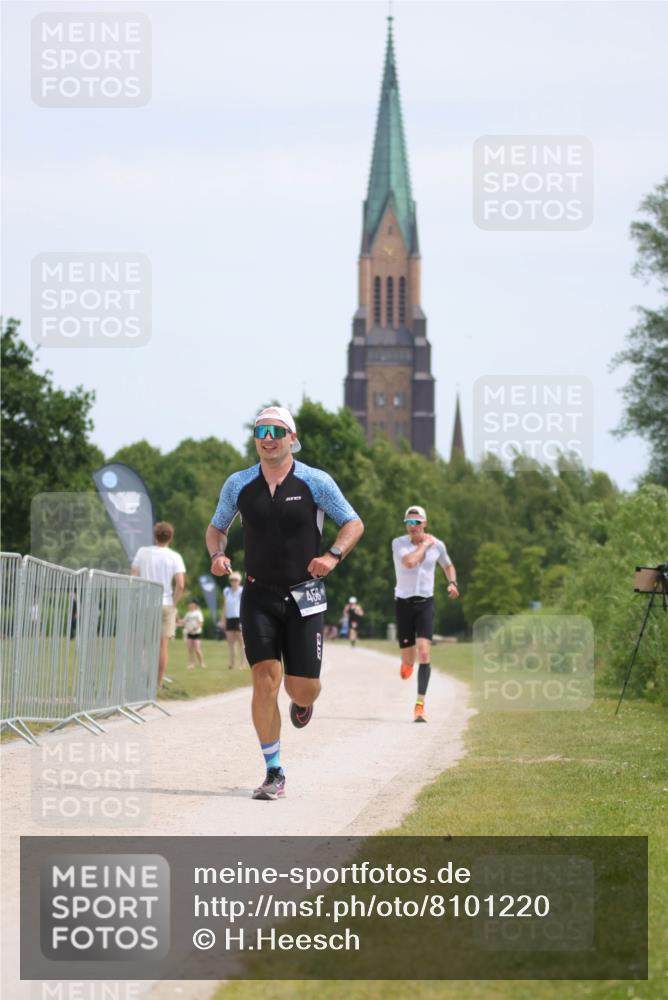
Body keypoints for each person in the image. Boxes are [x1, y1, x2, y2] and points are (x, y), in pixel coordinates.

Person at [206, 405, 364, 801]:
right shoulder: (239, 484)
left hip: (305, 594)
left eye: (276, 430)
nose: (268, 437)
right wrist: (217, 555)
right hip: (258, 594)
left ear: (291, 438)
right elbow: (216, 527)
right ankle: (273, 771)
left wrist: (332, 556)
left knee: (304, 689)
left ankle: (302, 704)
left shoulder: (315, 481)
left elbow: (353, 522)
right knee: (263, 681)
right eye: (261, 430)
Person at [392, 505, 459, 723]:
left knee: (423, 653)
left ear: (425, 524)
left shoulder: (437, 545)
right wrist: (425, 545)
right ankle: (406, 663)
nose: (412, 526)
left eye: (416, 522)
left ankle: (419, 706)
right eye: (408, 522)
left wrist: (451, 583)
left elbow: (448, 565)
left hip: (425, 604)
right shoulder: (399, 543)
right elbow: (411, 562)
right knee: (409, 658)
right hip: (403, 604)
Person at [131, 522, 185, 688]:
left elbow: (133, 576)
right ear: (171, 537)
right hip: (166, 603)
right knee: (162, 646)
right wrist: (174, 604)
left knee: (142, 645)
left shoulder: (142, 552)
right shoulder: (175, 556)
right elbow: (180, 585)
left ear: (155, 536)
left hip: (146, 601)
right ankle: (157, 684)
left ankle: (139, 680)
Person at [223, 571, 245, 669]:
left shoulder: (241, 590)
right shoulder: (227, 591)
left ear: (239, 581)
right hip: (230, 618)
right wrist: (223, 620)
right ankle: (232, 663)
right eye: (232, 580)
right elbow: (224, 606)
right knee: (230, 643)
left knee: (241, 642)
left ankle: (243, 663)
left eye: (235, 580)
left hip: (239, 618)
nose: (233, 581)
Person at [178, 598, 206, 670]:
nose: (189, 605)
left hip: (196, 633)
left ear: (194, 605)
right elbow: (183, 622)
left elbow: (201, 623)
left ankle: (202, 663)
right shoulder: (188, 614)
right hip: (189, 633)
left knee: (197, 649)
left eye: (190, 604)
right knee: (190, 649)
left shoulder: (198, 613)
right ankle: (192, 664)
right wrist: (176, 622)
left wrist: (194, 628)